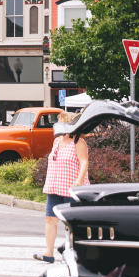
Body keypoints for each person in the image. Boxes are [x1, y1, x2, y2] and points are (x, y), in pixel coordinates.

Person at [36, 111, 89, 264]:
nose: (57, 126)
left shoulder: (78, 142)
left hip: (71, 187)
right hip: (55, 186)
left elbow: (84, 162)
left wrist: (79, 181)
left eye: (60, 122)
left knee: (71, 223)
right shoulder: (57, 141)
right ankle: (49, 253)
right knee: (50, 219)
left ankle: (76, 254)